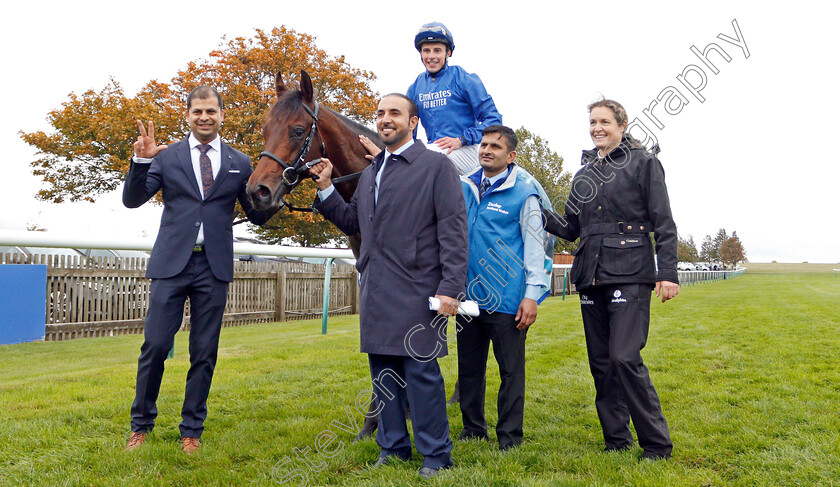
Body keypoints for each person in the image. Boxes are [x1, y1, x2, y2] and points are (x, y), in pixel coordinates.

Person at [308, 93, 468, 479]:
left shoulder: (435, 167)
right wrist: (327, 187)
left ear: (413, 123)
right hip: (376, 288)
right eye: (380, 114)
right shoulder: (371, 172)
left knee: (421, 375)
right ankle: (393, 448)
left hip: (420, 289)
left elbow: (454, 229)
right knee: (383, 375)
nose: (385, 119)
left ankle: (435, 456)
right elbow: (353, 222)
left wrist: (451, 287)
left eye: (394, 113)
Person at [122, 86, 275, 453]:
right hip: (171, 264)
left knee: (204, 351)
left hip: (213, 265)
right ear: (187, 115)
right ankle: (141, 426)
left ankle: (192, 430)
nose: (204, 117)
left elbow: (256, 214)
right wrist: (141, 162)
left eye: (211, 111)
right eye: (197, 112)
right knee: (156, 346)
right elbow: (132, 200)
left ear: (222, 115)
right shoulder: (167, 157)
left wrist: (278, 190)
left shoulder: (240, 161)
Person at [542, 99, 679, 460]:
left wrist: (668, 274)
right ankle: (616, 439)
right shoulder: (583, 174)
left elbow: (663, 223)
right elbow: (571, 228)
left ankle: (656, 444)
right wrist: (536, 210)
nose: (597, 128)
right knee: (601, 362)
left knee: (624, 357)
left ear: (622, 124)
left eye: (604, 121)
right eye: (592, 122)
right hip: (590, 274)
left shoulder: (644, 163)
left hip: (631, 272)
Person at [457, 125, 552, 451]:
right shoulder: (466, 185)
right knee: (469, 370)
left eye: (495, 147)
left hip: (508, 299)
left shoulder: (525, 193)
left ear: (510, 156)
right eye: (483, 144)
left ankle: (509, 437)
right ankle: (473, 429)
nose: (486, 150)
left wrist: (531, 295)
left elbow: (535, 247)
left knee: (510, 372)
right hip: (469, 299)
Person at [407, 21, 503, 175]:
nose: (431, 56)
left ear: (448, 53)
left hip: (468, 149)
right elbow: (408, 131)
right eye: (426, 51)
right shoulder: (415, 88)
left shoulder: (464, 79)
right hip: (433, 151)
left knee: (426, 157)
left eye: (437, 50)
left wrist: (461, 139)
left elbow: (494, 120)